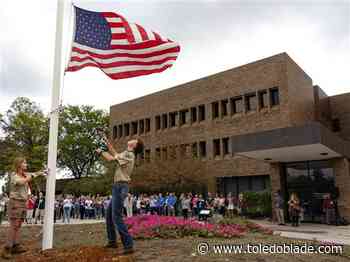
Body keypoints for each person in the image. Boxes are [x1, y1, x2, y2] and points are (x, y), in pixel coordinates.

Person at [96, 135, 144, 255]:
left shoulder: (129, 155)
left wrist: (101, 151)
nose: (132, 139)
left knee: (116, 216)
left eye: (134, 140)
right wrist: (106, 141)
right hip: (119, 186)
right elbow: (115, 154)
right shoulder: (126, 153)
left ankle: (128, 245)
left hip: (121, 186)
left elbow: (111, 159)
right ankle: (112, 241)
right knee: (109, 215)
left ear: (135, 145)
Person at [1, 157, 46, 259]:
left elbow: (34, 173)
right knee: (14, 226)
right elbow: (21, 182)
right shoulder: (14, 175)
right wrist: (33, 175)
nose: (26, 164)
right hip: (15, 203)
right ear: (19, 165)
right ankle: (6, 249)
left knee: (19, 225)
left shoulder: (25, 174)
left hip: (22, 203)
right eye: (24, 163)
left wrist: (42, 172)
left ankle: (16, 245)